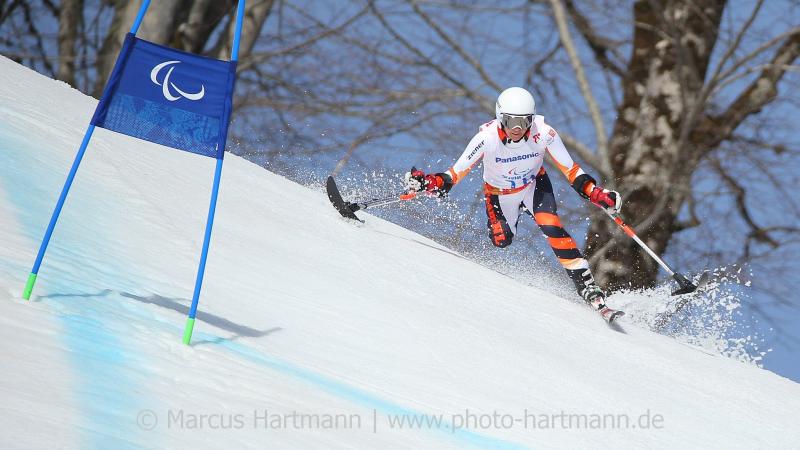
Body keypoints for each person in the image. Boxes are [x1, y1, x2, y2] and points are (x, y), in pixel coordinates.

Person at [405, 87, 623, 321]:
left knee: (550, 224)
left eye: (523, 121)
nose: (517, 128)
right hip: (500, 194)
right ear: (501, 118)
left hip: (533, 185)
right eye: (511, 121)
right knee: (501, 240)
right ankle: (512, 217)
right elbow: (453, 175)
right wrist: (429, 182)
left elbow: (571, 170)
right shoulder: (486, 139)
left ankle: (587, 286)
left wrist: (595, 193)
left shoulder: (544, 133)